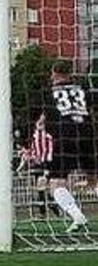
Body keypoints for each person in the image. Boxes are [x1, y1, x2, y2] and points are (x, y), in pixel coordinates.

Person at [27, 61, 91, 232]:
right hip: (88, 135)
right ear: (70, 73)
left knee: (56, 183)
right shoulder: (83, 90)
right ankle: (78, 217)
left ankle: (77, 216)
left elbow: (38, 118)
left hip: (64, 138)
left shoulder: (47, 93)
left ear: (54, 73)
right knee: (93, 180)